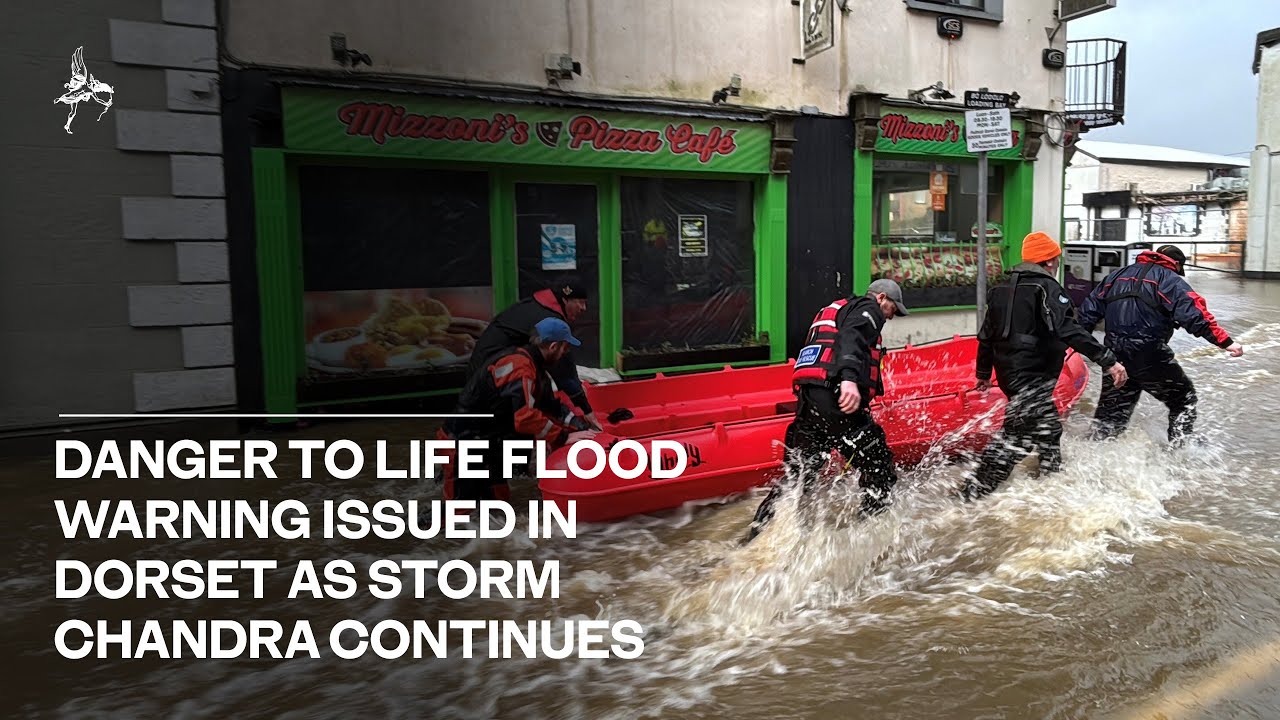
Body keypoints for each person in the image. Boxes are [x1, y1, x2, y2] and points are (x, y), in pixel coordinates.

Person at [961, 232, 1129, 502]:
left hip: (1010, 374)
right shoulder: (1047, 288)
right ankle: (970, 497)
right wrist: (1108, 360)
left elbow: (986, 336)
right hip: (1032, 375)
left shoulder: (1000, 289)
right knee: (1015, 437)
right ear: (1049, 261)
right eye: (1057, 259)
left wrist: (983, 373)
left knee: (1049, 428)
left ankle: (1051, 487)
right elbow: (1069, 330)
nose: (1058, 263)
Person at [747, 278, 909, 541]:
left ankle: (757, 538)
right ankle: (869, 536)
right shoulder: (868, 310)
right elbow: (852, 337)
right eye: (893, 308)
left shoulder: (835, 309)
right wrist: (848, 380)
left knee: (798, 477)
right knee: (878, 465)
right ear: (881, 298)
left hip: (809, 402)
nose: (891, 317)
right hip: (834, 398)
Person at [1077, 244, 1243, 445]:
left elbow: (1086, 314)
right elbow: (1195, 314)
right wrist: (1226, 342)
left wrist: (1074, 345)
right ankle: (1180, 451)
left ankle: (1092, 456)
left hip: (1115, 358)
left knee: (1110, 419)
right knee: (1184, 399)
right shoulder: (1169, 280)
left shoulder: (1116, 276)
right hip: (1150, 356)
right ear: (1176, 265)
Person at [441, 317, 597, 501]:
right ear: (554, 346)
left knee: (498, 500)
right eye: (566, 348)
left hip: (486, 442)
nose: (565, 354)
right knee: (458, 511)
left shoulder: (534, 367)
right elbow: (524, 417)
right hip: (463, 442)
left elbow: (550, 405)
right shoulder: (519, 366)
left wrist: (580, 427)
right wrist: (563, 437)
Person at [467, 283, 601, 430]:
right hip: (487, 390)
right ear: (553, 346)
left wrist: (577, 423)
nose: (584, 308)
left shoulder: (534, 360)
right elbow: (564, 372)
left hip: (484, 376)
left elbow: (548, 399)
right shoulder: (520, 368)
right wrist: (584, 410)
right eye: (580, 302)